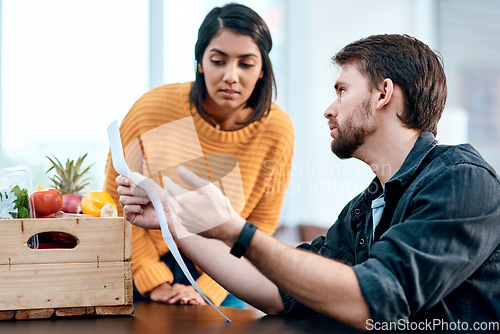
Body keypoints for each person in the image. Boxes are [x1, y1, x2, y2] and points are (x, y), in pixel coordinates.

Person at [116, 34, 500, 330]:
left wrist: (236, 229)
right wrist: (176, 224)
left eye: (342, 90)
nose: (329, 109)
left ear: (384, 93)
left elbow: (376, 299)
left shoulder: (460, 178)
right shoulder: (365, 209)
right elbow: (279, 291)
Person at [103, 3, 294, 309]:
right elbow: (115, 197)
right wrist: (154, 280)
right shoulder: (154, 109)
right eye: (218, 61)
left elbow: (260, 224)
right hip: (144, 261)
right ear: (201, 62)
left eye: (246, 64)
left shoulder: (277, 129)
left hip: (226, 270)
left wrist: (209, 290)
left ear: (262, 70)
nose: (231, 76)